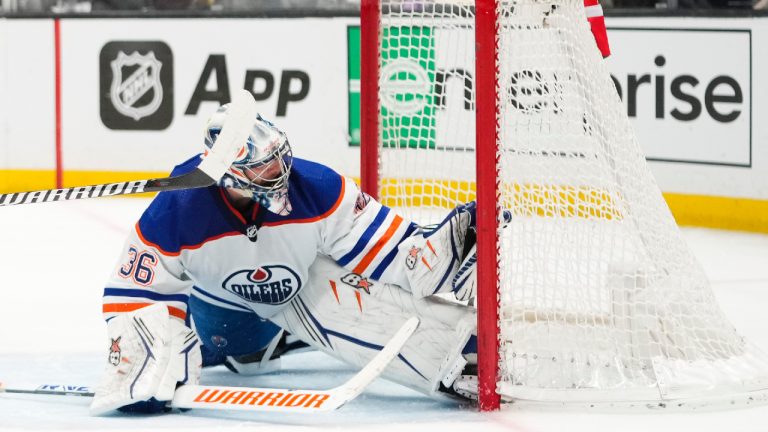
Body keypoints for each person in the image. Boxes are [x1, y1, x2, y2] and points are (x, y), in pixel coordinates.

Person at [89, 105, 481, 415]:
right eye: (264, 165)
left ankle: (457, 350)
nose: (279, 170)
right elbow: (135, 288)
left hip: (294, 286)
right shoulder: (177, 209)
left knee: (349, 297)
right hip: (223, 311)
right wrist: (145, 355)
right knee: (245, 352)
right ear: (230, 176)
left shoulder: (320, 188)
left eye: (277, 156)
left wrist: (446, 250)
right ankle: (263, 344)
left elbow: (392, 252)